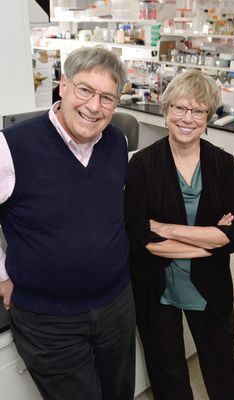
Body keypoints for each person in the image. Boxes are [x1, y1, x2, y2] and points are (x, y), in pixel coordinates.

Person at [0, 46, 135, 400]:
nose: (94, 106)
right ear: (63, 85)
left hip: (116, 305)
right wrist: (2, 273)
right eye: (85, 90)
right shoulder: (11, 146)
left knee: (119, 392)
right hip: (49, 321)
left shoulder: (117, 142)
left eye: (107, 97)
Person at [125, 70, 234, 400]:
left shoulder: (224, 165)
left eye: (198, 111)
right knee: (167, 371)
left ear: (208, 118)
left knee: (224, 366)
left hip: (209, 284)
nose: (187, 118)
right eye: (179, 108)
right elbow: (142, 240)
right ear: (166, 112)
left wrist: (167, 229)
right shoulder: (142, 166)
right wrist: (210, 241)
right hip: (156, 286)